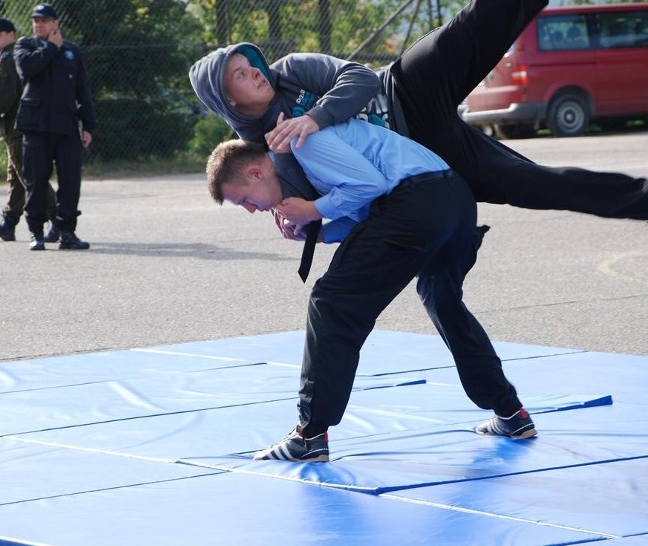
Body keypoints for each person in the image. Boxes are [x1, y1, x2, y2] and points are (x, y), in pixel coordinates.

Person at [189, 0, 648, 243]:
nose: (255, 70)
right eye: (240, 73)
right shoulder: (266, 157)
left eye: (249, 62)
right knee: (531, 185)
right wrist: (304, 228)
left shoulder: (291, 69)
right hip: (422, 155)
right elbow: (328, 202)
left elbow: (359, 77)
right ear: (228, 100)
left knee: (479, 20)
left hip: (406, 90)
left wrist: (314, 117)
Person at [206, 117, 537, 462]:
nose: (250, 210)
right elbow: (366, 206)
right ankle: (511, 413)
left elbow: (369, 186)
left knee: (331, 302)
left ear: (256, 173)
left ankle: (310, 435)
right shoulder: (298, 162)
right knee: (443, 301)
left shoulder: (300, 148)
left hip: (415, 203)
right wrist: (318, 232)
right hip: (453, 199)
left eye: (243, 199)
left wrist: (312, 209)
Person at [13, 3, 96, 251]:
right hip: (36, 127)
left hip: (66, 127)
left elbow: (83, 90)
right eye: (36, 20)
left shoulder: (72, 51)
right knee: (36, 181)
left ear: (56, 23)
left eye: (44, 20)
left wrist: (89, 125)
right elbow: (27, 69)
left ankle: (67, 231)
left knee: (70, 182)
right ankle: (36, 232)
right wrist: (50, 47)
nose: (39, 24)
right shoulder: (25, 46)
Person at [0, 17, 59, 243]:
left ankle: (58, 218)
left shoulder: (7, 58)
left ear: (11, 34)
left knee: (30, 177)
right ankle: (9, 222)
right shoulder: (18, 55)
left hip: (17, 128)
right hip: (23, 126)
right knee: (15, 176)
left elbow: (4, 97)